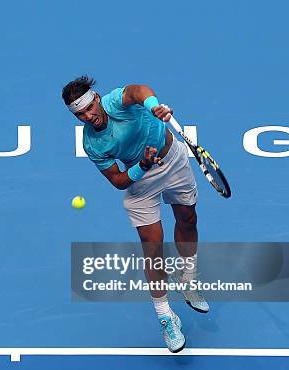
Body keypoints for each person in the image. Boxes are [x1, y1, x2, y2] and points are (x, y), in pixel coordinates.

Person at [62, 76, 207, 353]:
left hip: (173, 159)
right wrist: (141, 165)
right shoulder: (92, 144)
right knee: (153, 248)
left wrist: (153, 106)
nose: (88, 116)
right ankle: (166, 317)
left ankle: (187, 278)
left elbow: (139, 91)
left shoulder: (116, 101)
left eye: (89, 108)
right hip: (141, 180)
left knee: (188, 219)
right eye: (80, 114)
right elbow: (118, 181)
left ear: (96, 98)